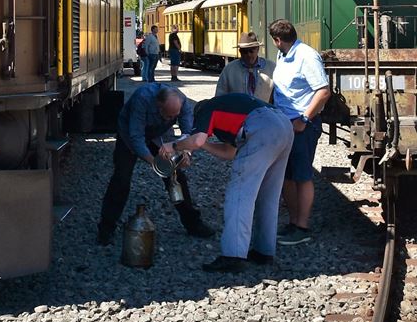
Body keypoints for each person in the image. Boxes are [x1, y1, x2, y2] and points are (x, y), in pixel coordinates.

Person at [164, 92, 293, 272]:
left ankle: (233, 256)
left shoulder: (206, 109)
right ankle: (264, 251)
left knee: (239, 194)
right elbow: (228, 152)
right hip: (283, 126)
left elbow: (197, 139)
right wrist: (204, 145)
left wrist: (173, 146)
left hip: (263, 127)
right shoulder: (232, 111)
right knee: (269, 194)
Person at [97, 83, 216, 245]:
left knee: (177, 179)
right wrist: (155, 163)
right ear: (158, 106)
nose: (171, 118)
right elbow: (136, 137)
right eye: (168, 116)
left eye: (174, 116)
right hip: (129, 134)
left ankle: (193, 223)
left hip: (159, 136)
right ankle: (106, 228)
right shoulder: (142, 98)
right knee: (121, 179)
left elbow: (188, 133)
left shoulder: (183, 102)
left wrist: (185, 153)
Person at [268, 19, 330, 246]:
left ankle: (302, 226)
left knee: (302, 176)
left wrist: (304, 118)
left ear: (277, 40)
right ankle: (293, 223)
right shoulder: (283, 55)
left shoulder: (307, 56)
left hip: (302, 125)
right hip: (284, 124)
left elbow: (323, 91)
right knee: (286, 176)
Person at [215, 32, 275, 102]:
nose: (248, 55)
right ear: (240, 51)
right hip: (238, 111)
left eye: (251, 51)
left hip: (265, 111)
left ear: (257, 49)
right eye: (245, 52)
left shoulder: (271, 68)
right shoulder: (229, 70)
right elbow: (219, 97)